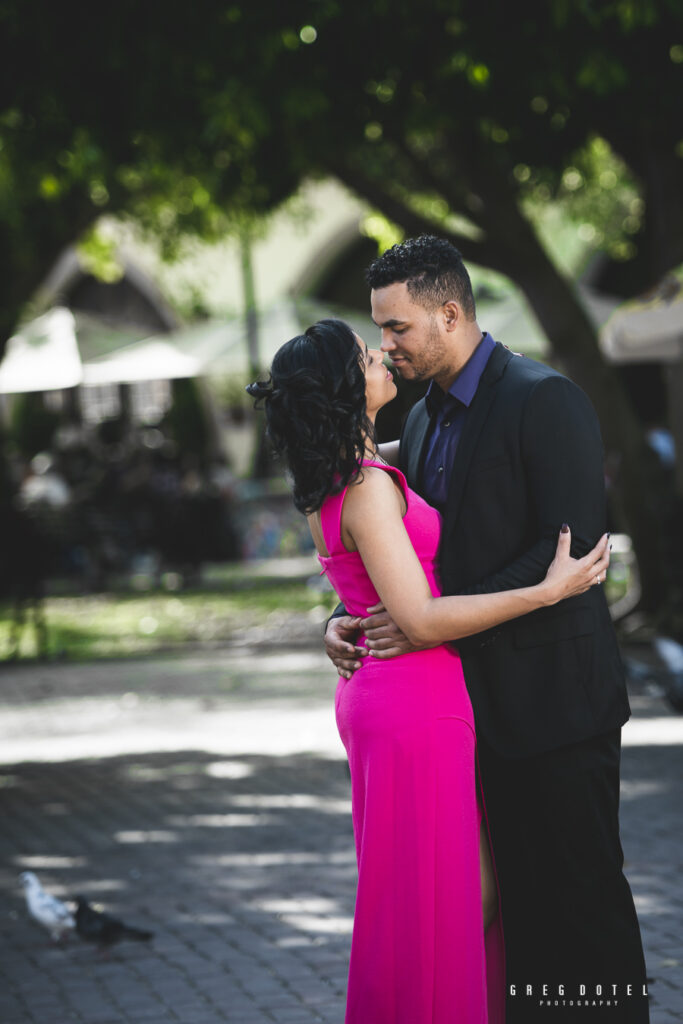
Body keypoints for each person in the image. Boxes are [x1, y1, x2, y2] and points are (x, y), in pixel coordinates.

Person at [248, 318, 610, 1024]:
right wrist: (546, 590)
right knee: (443, 901)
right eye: (364, 352)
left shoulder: (363, 468)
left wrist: (337, 618)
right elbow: (415, 620)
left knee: (451, 896)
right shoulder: (366, 487)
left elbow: (369, 571)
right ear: (344, 387)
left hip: (399, 694)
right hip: (412, 698)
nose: (382, 351)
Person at [325, 236, 649, 1022]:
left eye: (397, 328)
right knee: (512, 923)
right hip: (468, 718)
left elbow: (567, 549)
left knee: (580, 909)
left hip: (554, 707)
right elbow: (410, 556)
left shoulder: (544, 398)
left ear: (449, 312)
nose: (387, 346)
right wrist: (351, 616)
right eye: (380, 328)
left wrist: (430, 625)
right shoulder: (426, 416)